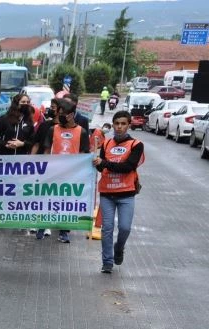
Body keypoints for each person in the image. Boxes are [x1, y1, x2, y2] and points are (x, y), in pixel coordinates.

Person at [93, 110, 144, 273]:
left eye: (123, 124)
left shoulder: (136, 145)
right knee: (107, 228)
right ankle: (107, 262)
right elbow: (101, 168)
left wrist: (105, 163)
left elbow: (128, 167)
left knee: (125, 228)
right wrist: (97, 163)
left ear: (129, 125)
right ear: (113, 125)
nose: (119, 127)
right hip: (107, 193)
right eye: (116, 123)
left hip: (126, 194)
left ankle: (119, 247)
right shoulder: (106, 143)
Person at [37, 97, 90, 243]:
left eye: (62, 114)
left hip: (71, 176)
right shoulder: (52, 129)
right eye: (58, 113)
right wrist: (44, 171)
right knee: (48, 201)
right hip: (52, 173)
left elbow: (83, 155)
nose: (59, 116)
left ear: (71, 115)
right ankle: (42, 226)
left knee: (66, 203)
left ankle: (63, 231)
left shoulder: (82, 132)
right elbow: (46, 151)